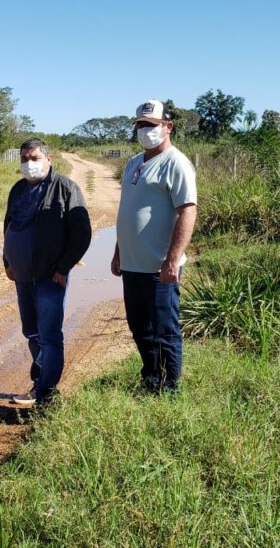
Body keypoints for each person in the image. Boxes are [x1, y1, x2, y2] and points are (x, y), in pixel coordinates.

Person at [111, 100, 198, 394]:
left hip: (159, 268)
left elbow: (188, 210)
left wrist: (172, 260)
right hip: (132, 265)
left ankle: (170, 386)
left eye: (151, 125)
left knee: (165, 330)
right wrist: (118, 251)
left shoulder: (176, 163)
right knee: (139, 327)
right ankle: (151, 378)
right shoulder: (135, 162)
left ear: (167, 127)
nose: (145, 130)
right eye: (140, 125)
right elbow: (128, 210)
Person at [3, 138, 92, 406]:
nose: (29, 164)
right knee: (32, 332)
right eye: (24, 159)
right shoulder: (17, 189)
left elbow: (82, 233)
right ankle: (39, 384)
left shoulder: (65, 188)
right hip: (22, 276)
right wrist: (6, 260)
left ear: (48, 159)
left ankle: (47, 394)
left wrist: (63, 268)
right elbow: (9, 225)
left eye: (35, 158)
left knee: (50, 336)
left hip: (50, 277)